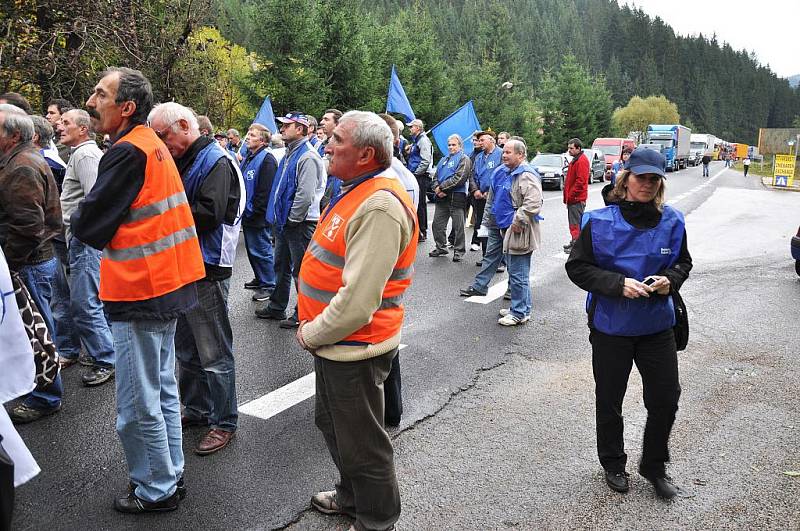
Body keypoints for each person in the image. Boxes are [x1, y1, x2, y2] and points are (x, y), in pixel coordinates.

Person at [73, 67, 204, 513]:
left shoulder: (129, 152)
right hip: (164, 287)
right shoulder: (150, 144)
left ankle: (154, 489)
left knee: (137, 401)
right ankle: (168, 475)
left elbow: (89, 224)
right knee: (161, 389)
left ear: (126, 107)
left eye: (99, 93)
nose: (91, 101)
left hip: (142, 291)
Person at [296, 110, 418, 531]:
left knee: (363, 444)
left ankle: (377, 521)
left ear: (366, 153)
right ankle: (351, 498)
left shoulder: (380, 205)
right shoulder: (356, 189)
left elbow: (359, 301)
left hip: (355, 344)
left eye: (338, 140)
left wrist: (313, 332)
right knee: (333, 425)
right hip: (338, 343)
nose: (327, 143)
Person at [565, 147, 692, 500]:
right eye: (641, 177)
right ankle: (613, 462)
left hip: (656, 327)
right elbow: (578, 268)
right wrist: (617, 284)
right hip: (611, 328)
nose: (648, 184)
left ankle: (653, 465)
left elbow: (683, 262)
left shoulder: (673, 221)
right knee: (610, 399)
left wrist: (671, 279)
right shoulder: (600, 221)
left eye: (655, 179)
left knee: (666, 398)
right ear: (625, 178)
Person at [148, 102, 244, 456]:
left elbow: (208, 215)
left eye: (163, 135)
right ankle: (199, 409)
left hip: (206, 267)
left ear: (185, 126)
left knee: (214, 352)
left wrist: (161, 211)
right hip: (184, 265)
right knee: (186, 347)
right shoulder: (185, 157)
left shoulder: (216, 161)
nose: (160, 142)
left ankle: (224, 422)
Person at [0, 104, 64, 424]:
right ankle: (40, 389)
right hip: (31, 261)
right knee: (36, 330)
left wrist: (8, 265)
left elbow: (27, 227)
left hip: (29, 263)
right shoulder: (17, 159)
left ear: (13, 135)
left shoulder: (21, 166)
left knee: (37, 333)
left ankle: (45, 396)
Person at [56, 109, 116, 386]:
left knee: (84, 303)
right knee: (90, 300)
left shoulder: (85, 155)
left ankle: (105, 358)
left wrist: (82, 232)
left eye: (66, 122)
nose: (59, 126)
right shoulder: (79, 153)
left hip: (85, 240)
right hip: (81, 238)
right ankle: (102, 352)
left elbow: (97, 200)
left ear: (83, 129)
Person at [459, 140, 542, 326]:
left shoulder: (526, 175)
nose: (504, 155)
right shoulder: (504, 171)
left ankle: (519, 312)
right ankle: (520, 307)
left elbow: (534, 203)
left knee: (519, 273)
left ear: (521, 155)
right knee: (515, 270)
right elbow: (493, 199)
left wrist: (519, 221)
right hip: (505, 226)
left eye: (509, 152)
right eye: (503, 152)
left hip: (520, 229)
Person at [256, 112, 325, 328]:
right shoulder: (290, 153)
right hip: (287, 222)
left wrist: (292, 220)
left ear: (301, 129)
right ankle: (277, 307)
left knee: (301, 271)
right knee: (281, 265)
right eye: (283, 125)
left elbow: (305, 195)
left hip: (300, 224)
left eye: (288, 125)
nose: (283, 128)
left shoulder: (307, 156)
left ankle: (303, 313)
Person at [240, 123, 279, 302]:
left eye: (252, 135)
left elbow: (265, 190)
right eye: (248, 133)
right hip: (247, 213)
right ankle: (260, 277)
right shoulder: (250, 156)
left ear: (262, 140)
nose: (247, 137)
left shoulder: (267, 159)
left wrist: (256, 211)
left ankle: (269, 284)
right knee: (252, 248)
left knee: (261, 249)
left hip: (258, 215)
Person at [430, 134, 471, 262]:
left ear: (460, 145)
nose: (451, 147)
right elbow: (435, 177)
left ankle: (459, 251)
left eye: (454, 145)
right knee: (437, 224)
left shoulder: (464, 159)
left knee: (458, 227)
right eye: (449, 145)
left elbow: (460, 178)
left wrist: (442, 189)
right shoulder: (443, 159)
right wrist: (437, 188)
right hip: (441, 198)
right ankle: (441, 247)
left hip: (456, 197)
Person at [470, 131, 503, 261]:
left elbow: (503, 174)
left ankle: (499, 260)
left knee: (495, 227)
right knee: (481, 226)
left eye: (482, 140)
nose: (480, 143)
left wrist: (490, 192)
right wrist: (475, 190)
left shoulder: (500, 154)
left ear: (491, 140)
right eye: (479, 141)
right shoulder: (478, 157)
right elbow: (472, 175)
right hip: (480, 198)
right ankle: (486, 257)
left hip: (495, 198)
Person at [405, 118, 433, 242]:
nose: (409, 129)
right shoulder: (417, 141)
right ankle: (418, 230)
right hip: (416, 175)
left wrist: (416, 174)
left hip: (420, 177)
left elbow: (426, 160)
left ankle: (422, 231)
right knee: (416, 202)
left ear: (418, 128)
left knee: (420, 203)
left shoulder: (423, 140)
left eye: (411, 127)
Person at [563, 138, 589, 254]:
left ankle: (577, 245)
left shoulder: (581, 161)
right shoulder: (576, 159)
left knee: (575, 223)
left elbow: (581, 182)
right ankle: (575, 242)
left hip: (576, 199)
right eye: (568, 148)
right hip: (574, 199)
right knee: (574, 222)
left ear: (578, 148)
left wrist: (571, 196)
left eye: (571, 148)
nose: (569, 150)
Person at [319, 108, 344, 210]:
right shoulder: (320, 145)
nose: (321, 122)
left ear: (337, 124)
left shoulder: (343, 146)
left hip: (331, 199)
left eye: (326, 119)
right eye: (322, 119)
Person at [45, 98, 74, 162]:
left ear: (63, 115)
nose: (47, 116)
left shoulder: (70, 141)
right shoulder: (52, 136)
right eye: (48, 113)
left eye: (52, 113)